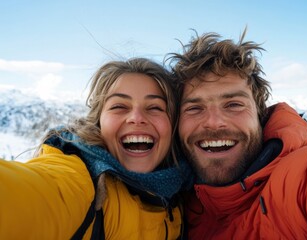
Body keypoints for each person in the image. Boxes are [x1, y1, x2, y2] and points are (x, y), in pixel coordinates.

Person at [168, 29, 307, 239]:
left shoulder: (302, 180)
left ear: (260, 115)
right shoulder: (171, 203)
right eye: (194, 108)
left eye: (233, 105)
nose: (214, 122)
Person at [0, 58, 193, 239]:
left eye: (155, 108)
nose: (136, 117)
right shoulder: (82, 181)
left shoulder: (184, 191)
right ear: (98, 122)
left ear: (173, 125)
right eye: (119, 106)